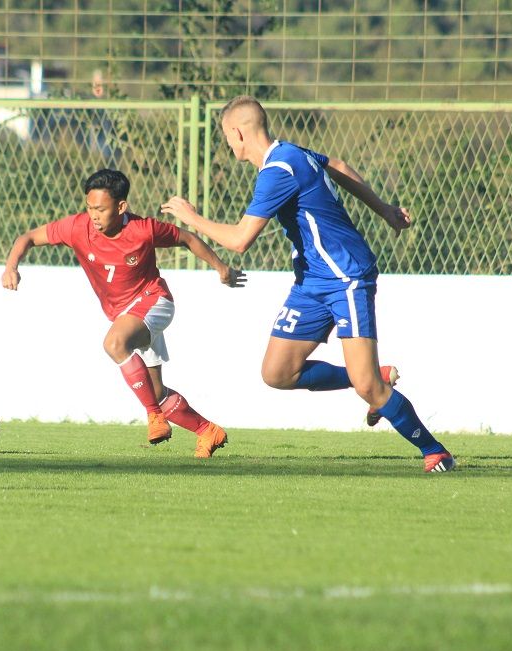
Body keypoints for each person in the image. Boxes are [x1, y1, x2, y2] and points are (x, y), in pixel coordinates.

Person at [161, 96, 456, 473]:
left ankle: (435, 452)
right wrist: (383, 209)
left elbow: (239, 240)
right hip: (312, 281)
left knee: (370, 390)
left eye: (226, 137)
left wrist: (191, 217)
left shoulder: (277, 171)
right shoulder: (291, 153)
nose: (228, 144)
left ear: (236, 132)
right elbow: (339, 166)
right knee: (278, 373)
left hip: (346, 276)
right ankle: (370, 374)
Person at [2, 168, 246, 458]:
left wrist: (221, 269)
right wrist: (11, 266)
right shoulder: (77, 227)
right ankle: (208, 431)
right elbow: (28, 237)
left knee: (114, 344)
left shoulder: (143, 230)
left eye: (101, 209)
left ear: (121, 206)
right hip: (125, 316)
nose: (94, 215)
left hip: (154, 301)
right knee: (155, 391)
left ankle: (155, 417)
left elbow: (187, 238)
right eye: (90, 207)